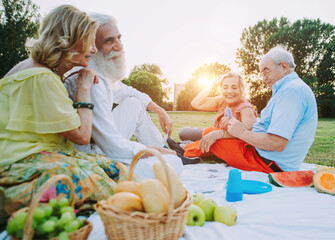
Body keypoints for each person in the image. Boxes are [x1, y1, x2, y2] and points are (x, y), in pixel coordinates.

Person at [0, 5, 134, 226]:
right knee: (100, 182)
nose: (93, 49)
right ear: (70, 41)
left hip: (34, 155)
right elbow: (82, 136)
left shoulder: (36, 69)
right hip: (16, 164)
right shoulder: (41, 77)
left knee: (113, 168)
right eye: (89, 42)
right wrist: (83, 88)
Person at [64, 13, 200, 173]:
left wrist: (160, 110)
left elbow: (131, 92)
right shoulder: (91, 81)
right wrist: (153, 151)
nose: (120, 46)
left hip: (104, 146)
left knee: (134, 103)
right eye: (109, 40)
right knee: (171, 166)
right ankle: (166, 151)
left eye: (119, 38)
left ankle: (164, 146)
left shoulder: (98, 74)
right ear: (91, 46)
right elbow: (110, 145)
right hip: (93, 157)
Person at [184, 46, 318, 172]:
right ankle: (183, 148)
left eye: (266, 71)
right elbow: (196, 103)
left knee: (213, 138)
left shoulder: (292, 91)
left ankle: (181, 150)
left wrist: (240, 132)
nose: (264, 78)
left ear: (283, 66)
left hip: (266, 162)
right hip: (259, 153)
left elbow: (277, 143)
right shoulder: (288, 89)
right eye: (261, 73)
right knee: (211, 133)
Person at [168, 72, 258, 158]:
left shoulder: (246, 108)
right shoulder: (222, 101)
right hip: (215, 135)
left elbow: (249, 133)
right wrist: (213, 85)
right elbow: (196, 103)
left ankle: (185, 146)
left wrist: (219, 134)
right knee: (184, 132)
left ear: (241, 89)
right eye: (225, 87)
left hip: (230, 143)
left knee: (211, 138)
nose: (229, 91)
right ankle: (190, 143)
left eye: (234, 88)